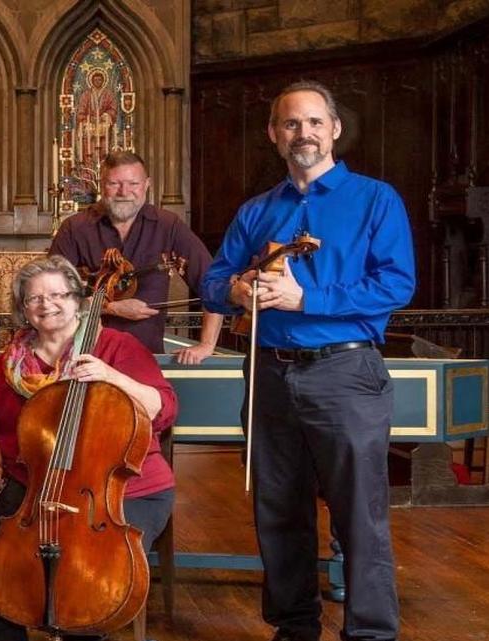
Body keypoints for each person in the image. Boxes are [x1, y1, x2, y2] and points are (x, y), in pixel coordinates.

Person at [200, 81, 415, 641]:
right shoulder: (256, 210)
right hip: (269, 372)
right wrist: (236, 289)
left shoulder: (375, 199)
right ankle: (294, 629)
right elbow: (213, 280)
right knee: (278, 511)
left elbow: (396, 283)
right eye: (291, 124)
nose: (304, 133)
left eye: (315, 122)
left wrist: (307, 298)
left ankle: (370, 634)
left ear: (335, 130)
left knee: (359, 515)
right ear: (274, 134)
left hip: (345, 372)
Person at [0, 255, 177, 641]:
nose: (47, 305)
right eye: (35, 298)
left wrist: (112, 377)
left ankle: (81, 627)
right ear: (23, 308)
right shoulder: (10, 362)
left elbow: (165, 408)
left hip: (119, 490)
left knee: (82, 561)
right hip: (33, 485)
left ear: (78, 300)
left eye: (58, 295)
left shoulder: (117, 347)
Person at [49, 150, 223, 365]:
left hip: (146, 358)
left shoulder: (168, 225)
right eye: (114, 183)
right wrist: (111, 308)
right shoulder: (74, 228)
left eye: (133, 183)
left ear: (147, 184)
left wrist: (207, 344)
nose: (124, 192)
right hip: (84, 357)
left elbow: (213, 283)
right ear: (101, 185)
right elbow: (50, 294)